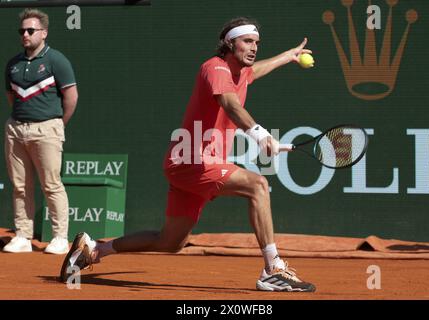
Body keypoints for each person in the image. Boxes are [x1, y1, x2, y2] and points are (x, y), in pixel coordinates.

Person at [60, 17, 315, 292]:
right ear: (230, 43)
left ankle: (95, 249)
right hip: (193, 161)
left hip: (191, 164)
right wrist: (260, 133)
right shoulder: (215, 68)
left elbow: (256, 72)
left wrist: (288, 56)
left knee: (170, 242)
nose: (254, 48)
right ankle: (272, 268)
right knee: (258, 185)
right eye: (247, 42)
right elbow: (229, 104)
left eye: (256, 43)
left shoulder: (240, 73)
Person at [3, 9, 78, 254]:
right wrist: (21, 121)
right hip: (16, 129)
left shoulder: (57, 60)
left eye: (30, 30)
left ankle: (59, 237)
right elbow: (11, 97)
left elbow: (71, 97)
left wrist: (56, 124)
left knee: (51, 184)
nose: (25, 34)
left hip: (47, 129)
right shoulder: (13, 64)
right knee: (20, 186)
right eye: (22, 31)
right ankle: (23, 236)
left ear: (43, 33)